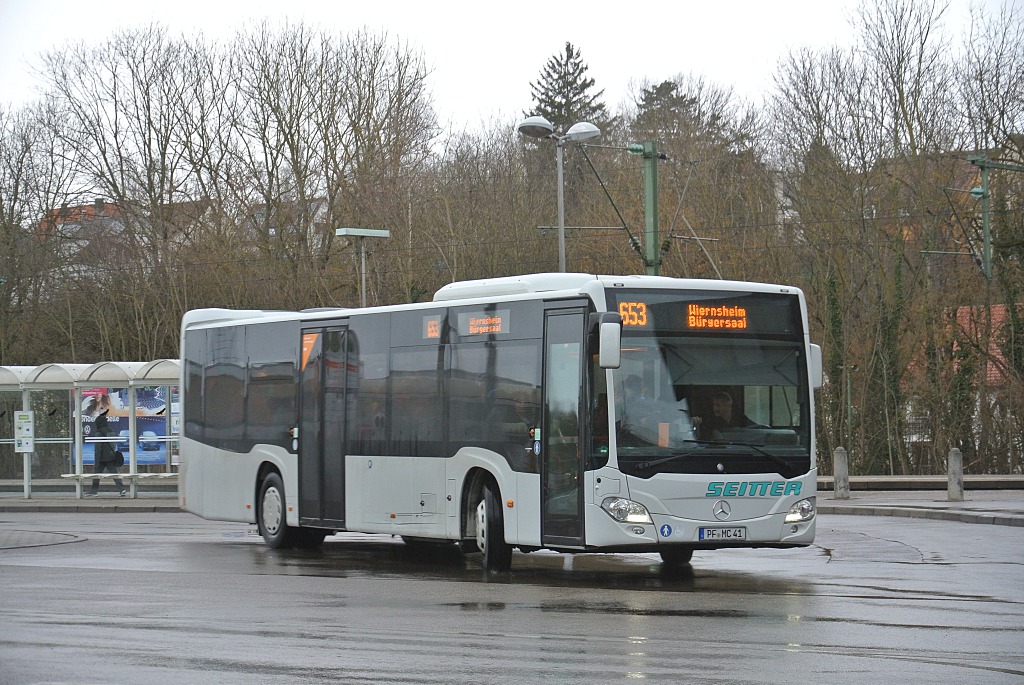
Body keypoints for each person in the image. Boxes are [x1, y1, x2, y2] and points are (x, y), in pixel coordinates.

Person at [86, 409, 127, 497]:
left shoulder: (99, 433)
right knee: (114, 473)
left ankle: (94, 491)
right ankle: (122, 489)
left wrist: (96, 461)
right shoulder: (111, 430)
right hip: (111, 456)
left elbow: (98, 448)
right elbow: (113, 443)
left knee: (96, 473)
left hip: (101, 457)